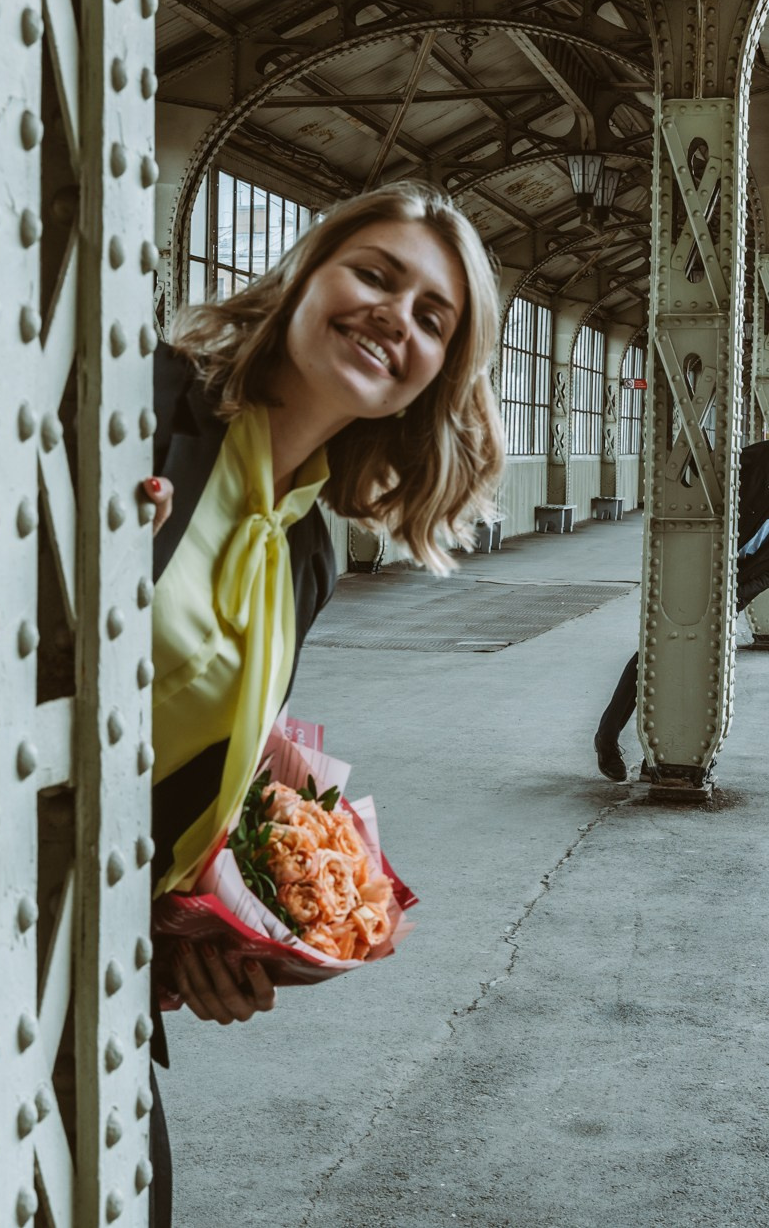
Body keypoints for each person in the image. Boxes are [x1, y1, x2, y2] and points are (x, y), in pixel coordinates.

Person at [137, 182, 505, 1225]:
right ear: (305, 274)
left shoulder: (306, 543)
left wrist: (209, 936)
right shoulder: (145, 404)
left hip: (96, 943)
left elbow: (199, 755)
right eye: (375, 276)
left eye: (433, 317)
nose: (397, 315)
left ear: (434, 374)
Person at [592, 418, 769, 781]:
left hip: (740, 581)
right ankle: (608, 737)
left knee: (702, 662)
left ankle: (662, 752)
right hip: (701, 556)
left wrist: (739, 595)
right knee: (659, 649)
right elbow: (712, 477)